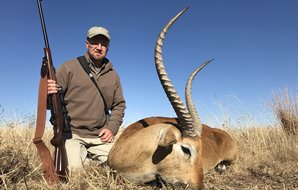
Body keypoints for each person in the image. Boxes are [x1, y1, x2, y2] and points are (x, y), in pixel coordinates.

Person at [47, 26, 126, 172]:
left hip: (100, 137)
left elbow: (119, 105)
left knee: (124, 167)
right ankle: (85, 160)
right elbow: (50, 104)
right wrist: (48, 93)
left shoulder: (113, 75)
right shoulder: (68, 67)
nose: (99, 47)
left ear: (108, 47)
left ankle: (89, 160)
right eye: (95, 42)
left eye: (103, 44)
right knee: (75, 173)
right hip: (73, 134)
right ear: (87, 44)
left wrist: (111, 129)